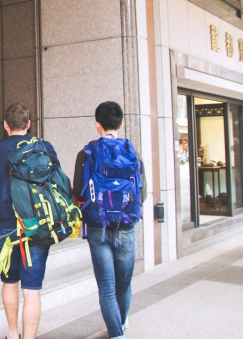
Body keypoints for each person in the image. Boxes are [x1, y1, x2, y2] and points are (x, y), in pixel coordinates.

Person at [0, 103, 60, 339]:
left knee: (10, 282)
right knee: (32, 290)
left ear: (5, 125)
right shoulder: (44, 147)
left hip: (6, 229)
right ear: (28, 124)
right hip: (37, 228)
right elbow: (57, 187)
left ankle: (13, 334)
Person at [73, 101, 147, 339]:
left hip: (98, 227)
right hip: (125, 227)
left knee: (106, 288)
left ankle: (117, 334)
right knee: (123, 285)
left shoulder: (86, 154)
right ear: (121, 124)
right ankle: (121, 323)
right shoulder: (133, 153)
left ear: (97, 125)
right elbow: (142, 194)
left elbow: (78, 193)